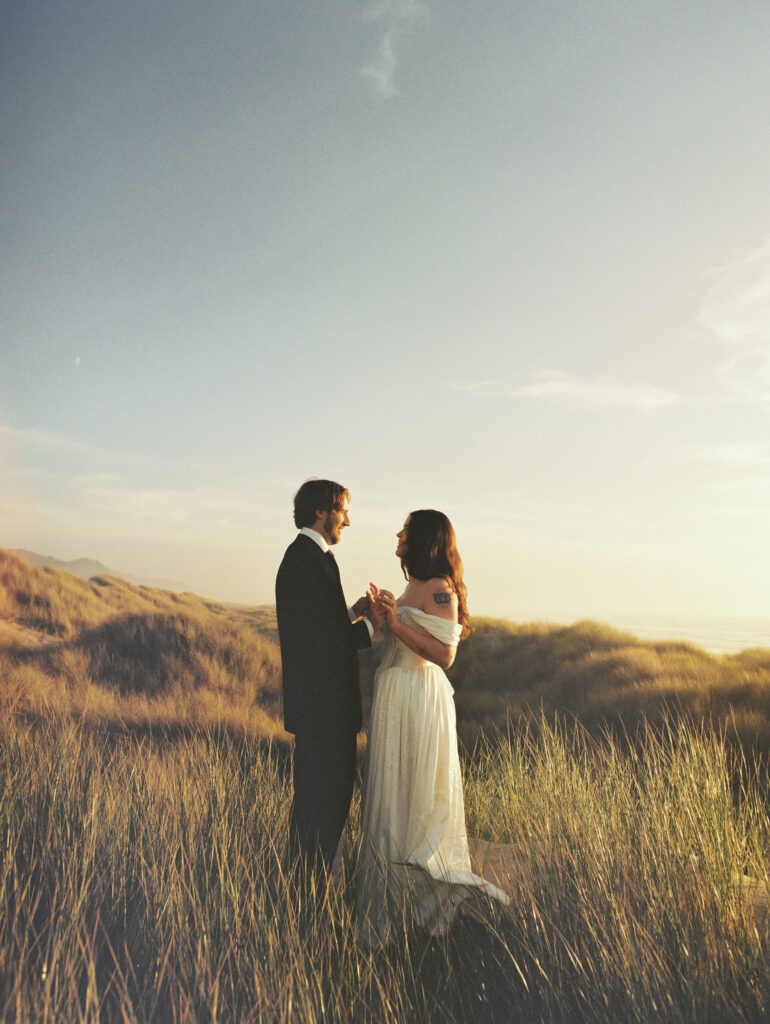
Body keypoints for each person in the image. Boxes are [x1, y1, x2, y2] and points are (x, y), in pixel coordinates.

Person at [356, 509, 508, 944]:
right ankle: (393, 896)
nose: (398, 533)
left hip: (419, 697)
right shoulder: (412, 586)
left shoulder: (442, 589)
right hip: (394, 693)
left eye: (405, 528)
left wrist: (397, 623)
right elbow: (403, 630)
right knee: (392, 790)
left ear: (422, 538)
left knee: (417, 791)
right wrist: (384, 611)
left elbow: (444, 656)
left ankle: (427, 899)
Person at [276, 478, 382, 884]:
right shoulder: (306, 560)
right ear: (321, 512)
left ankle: (306, 893)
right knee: (321, 811)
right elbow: (323, 645)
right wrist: (372, 626)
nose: (348, 521)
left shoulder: (310, 557)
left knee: (320, 811)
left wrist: (351, 612)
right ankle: (305, 900)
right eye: (343, 511)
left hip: (321, 714)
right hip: (323, 716)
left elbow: (320, 625)